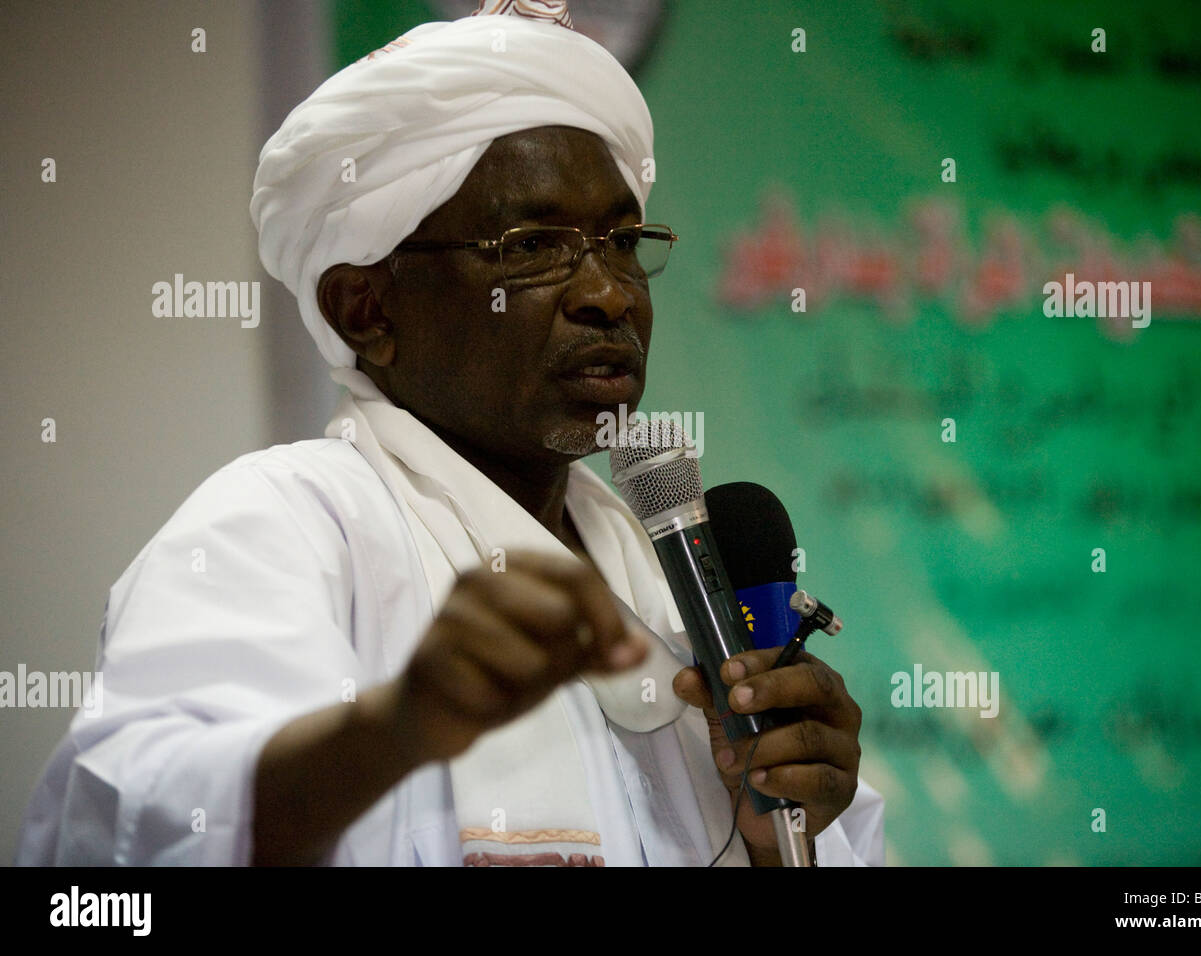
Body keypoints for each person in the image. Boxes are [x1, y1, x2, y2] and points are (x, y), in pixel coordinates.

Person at [16, 0, 884, 867]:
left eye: (621, 241)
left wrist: (785, 838)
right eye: (534, 243)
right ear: (368, 309)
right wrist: (399, 728)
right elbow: (115, 846)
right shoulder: (287, 524)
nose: (611, 293)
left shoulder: (676, 599)